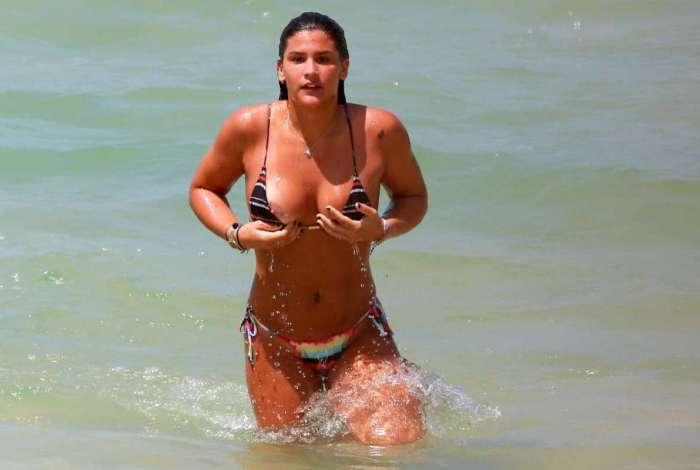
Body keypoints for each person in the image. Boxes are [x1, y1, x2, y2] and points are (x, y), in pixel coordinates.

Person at [189, 12, 428, 445]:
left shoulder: (378, 130)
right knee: (291, 458)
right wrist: (237, 233)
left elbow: (413, 198)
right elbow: (204, 188)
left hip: (358, 331)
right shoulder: (250, 127)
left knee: (394, 446)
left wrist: (381, 229)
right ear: (280, 69)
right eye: (298, 59)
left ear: (345, 67)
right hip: (275, 340)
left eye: (324, 59)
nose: (311, 71)